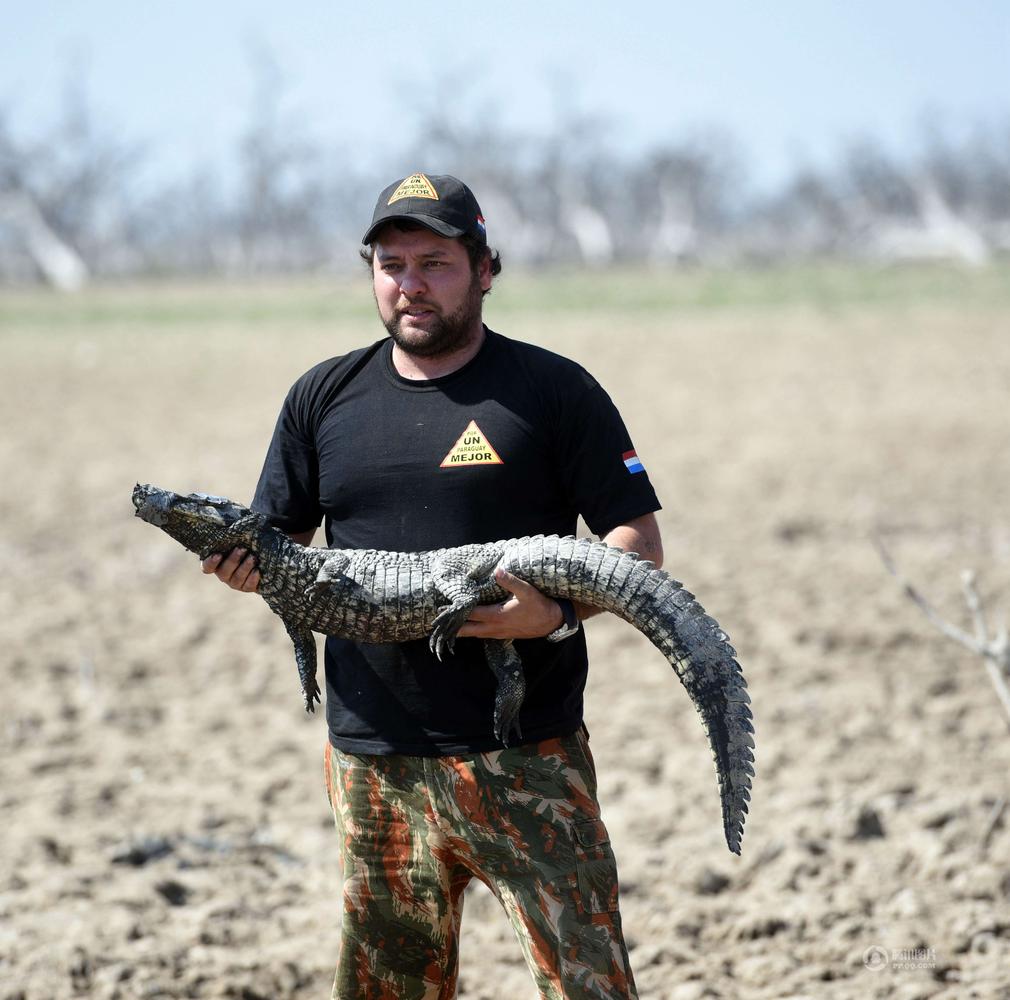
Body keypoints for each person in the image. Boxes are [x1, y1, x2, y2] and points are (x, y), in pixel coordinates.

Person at [203, 173, 663, 1000]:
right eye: (390, 263)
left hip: (528, 756)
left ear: (486, 269)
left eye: (435, 262)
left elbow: (636, 544)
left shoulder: (553, 391)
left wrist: (553, 617)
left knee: (588, 986)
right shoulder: (322, 397)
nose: (410, 283)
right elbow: (281, 545)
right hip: (374, 763)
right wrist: (247, 571)